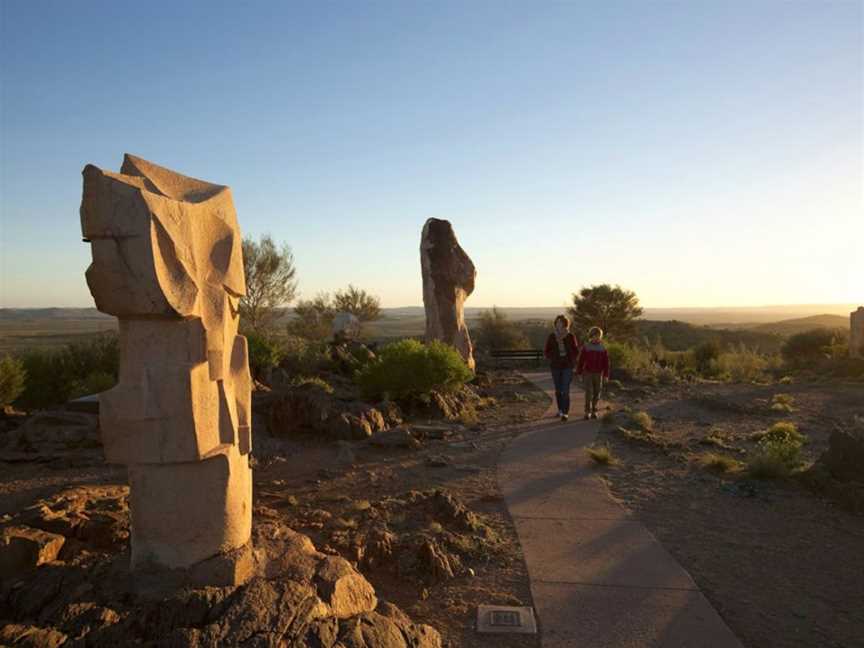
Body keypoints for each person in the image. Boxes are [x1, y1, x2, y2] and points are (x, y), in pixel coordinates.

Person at [544, 315, 580, 421]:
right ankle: (560, 409)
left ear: (565, 323)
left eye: (561, 322)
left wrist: (571, 360)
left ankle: (565, 413)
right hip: (555, 366)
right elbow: (546, 351)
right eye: (557, 322)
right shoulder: (552, 336)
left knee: (565, 390)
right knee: (558, 390)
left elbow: (575, 351)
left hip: (567, 366)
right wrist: (552, 357)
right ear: (555, 324)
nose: (558, 324)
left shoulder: (570, 336)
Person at [576, 326, 610, 419]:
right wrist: (578, 373)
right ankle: (587, 411)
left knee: (597, 392)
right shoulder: (586, 347)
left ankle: (594, 409)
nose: (596, 337)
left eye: (598, 336)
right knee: (588, 392)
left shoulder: (603, 348)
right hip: (588, 373)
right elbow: (581, 361)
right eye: (595, 335)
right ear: (591, 336)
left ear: (600, 337)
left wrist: (606, 375)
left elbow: (606, 363)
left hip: (599, 373)